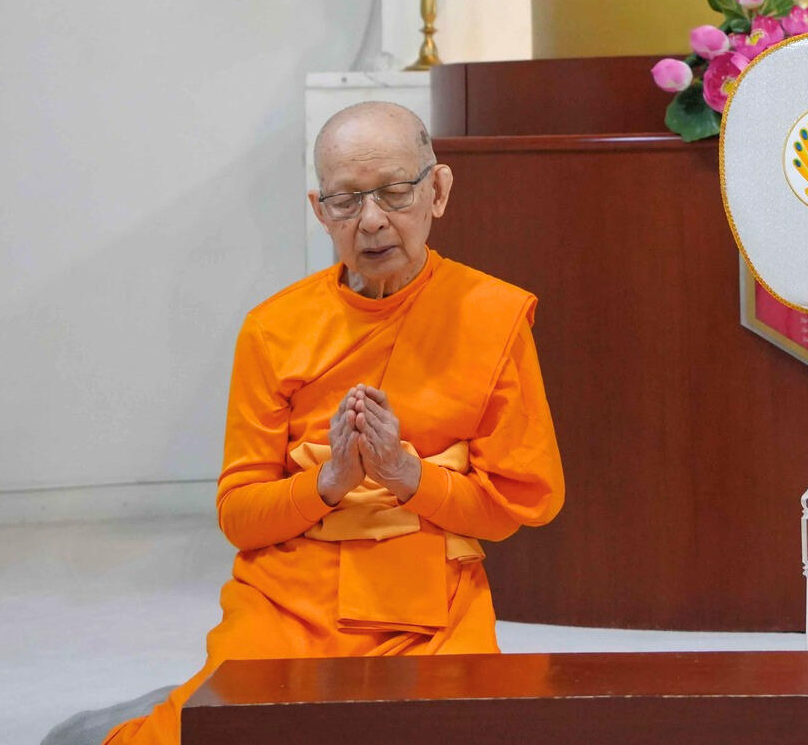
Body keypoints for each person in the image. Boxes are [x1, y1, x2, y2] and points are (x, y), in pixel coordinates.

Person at [92, 102, 564, 745]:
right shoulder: (274, 328)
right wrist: (329, 481)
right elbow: (240, 514)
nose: (372, 221)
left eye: (396, 192)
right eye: (346, 202)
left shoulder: (491, 315)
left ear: (439, 191)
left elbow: (521, 502)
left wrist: (407, 475)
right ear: (320, 212)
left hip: (427, 602)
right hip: (293, 593)